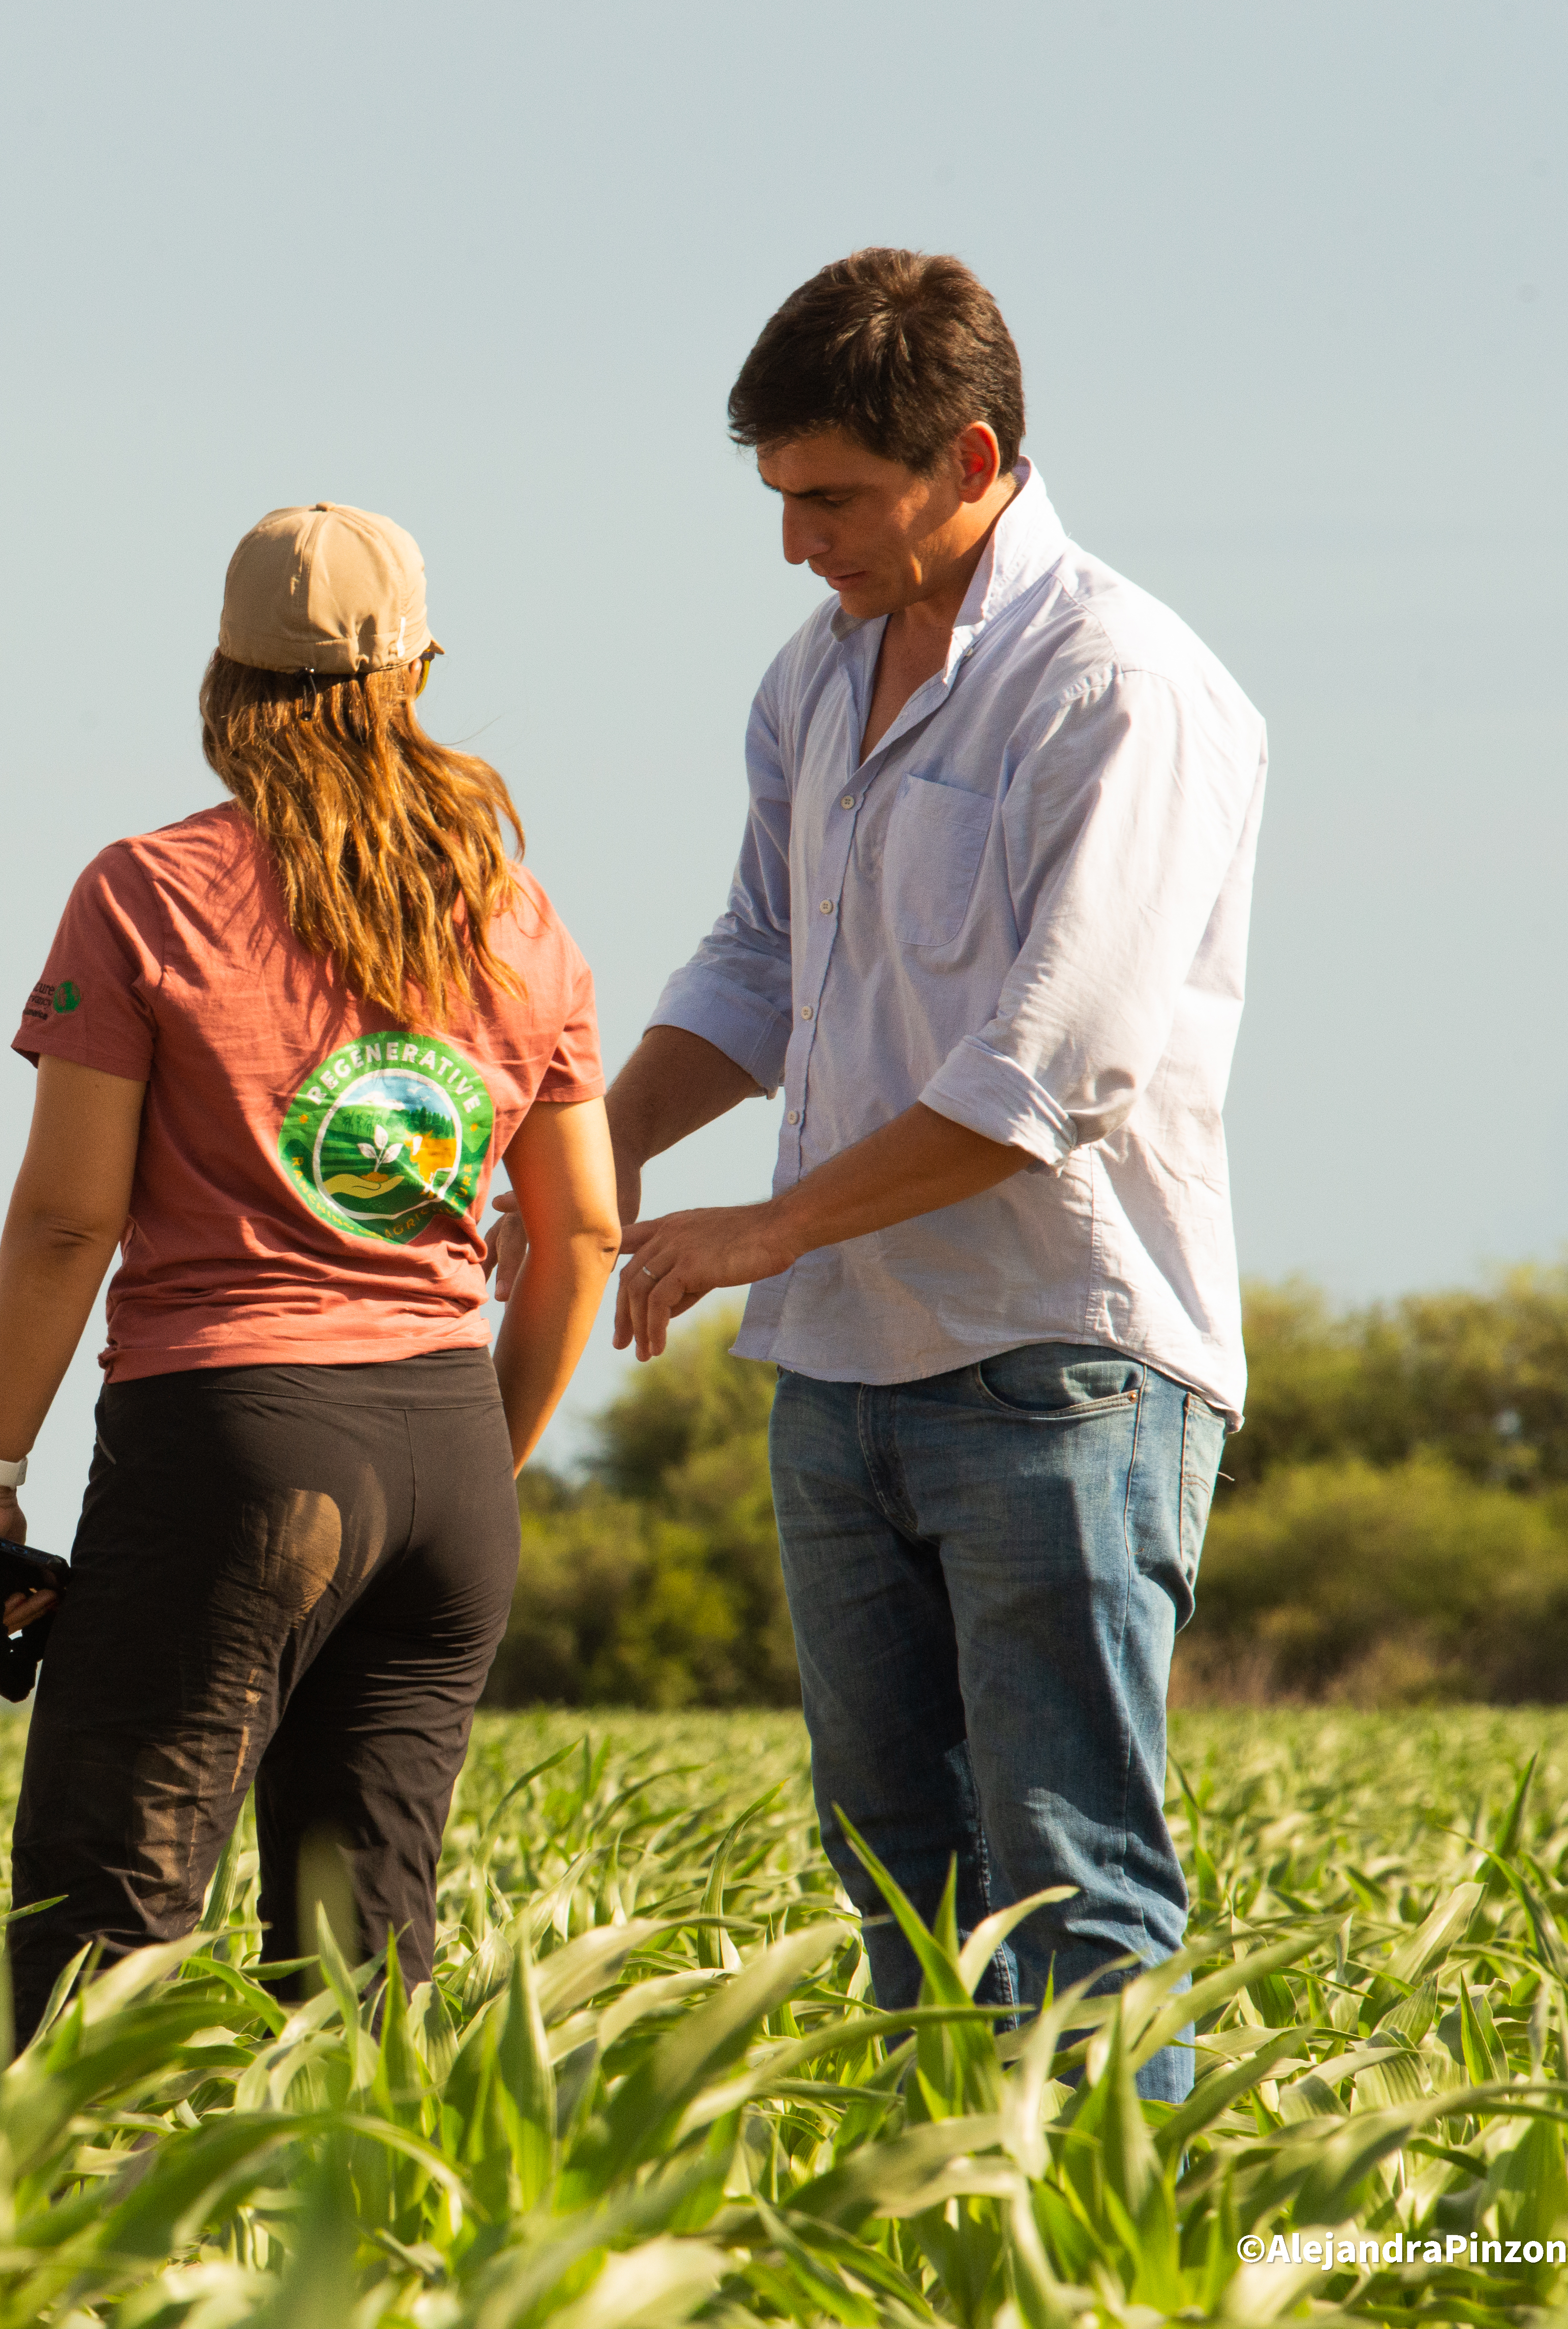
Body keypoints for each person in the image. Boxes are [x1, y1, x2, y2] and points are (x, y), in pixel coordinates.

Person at [517, 250, 1267, 2101]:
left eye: (833, 499)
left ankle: (1112, 2276)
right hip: (840, 1374)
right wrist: (587, 1155)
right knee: (900, 1896)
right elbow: (765, 960)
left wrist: (757, 1227)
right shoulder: (813, 676)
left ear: (973, 454)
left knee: (1074, 1899)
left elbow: (1054, 1072)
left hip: (1058, 1369)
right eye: (780, 500)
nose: (798, 546)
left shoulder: (1122, 687)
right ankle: (943, 2264)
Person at [0, 503, 620, 2041]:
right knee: (364, 1961)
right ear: (417, 677)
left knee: (101, 1933)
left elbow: (66, 1220)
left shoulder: (148, 891)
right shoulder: (522, 919)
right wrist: (485, 1462)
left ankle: (74, 2277)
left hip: (231, 1444)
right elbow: (581, 1232)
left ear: (226, 682)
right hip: (448, 1455)